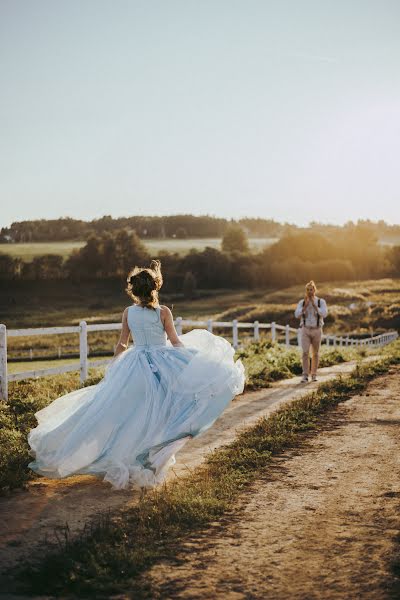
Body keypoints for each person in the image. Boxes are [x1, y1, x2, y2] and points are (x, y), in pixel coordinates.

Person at [28, 260, 245, 490]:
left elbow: (122, 344)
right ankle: (148, 456)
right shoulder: (163, 312)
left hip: (134, 365)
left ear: (133, 290)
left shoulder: (128, 312)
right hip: (162, 365)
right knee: (159, 412)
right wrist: (192, 362)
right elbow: (175, 342)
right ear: (155, 287)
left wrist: (114, 365)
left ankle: (132, 454)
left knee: (130, 413)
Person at [294, 280, 328, 383]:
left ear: (315, 290)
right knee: (305, 352)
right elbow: (297, 315)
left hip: (317, 329)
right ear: (306, 291)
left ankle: (314, 374)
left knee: (315, 353)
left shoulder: (320, 302)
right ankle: (305, 375)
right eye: (308, 290)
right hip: (305, 329)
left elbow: (324, 313)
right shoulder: (302, 302)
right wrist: (304, 307)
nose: (310, 291)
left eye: (311, 289)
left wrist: (314, 306)